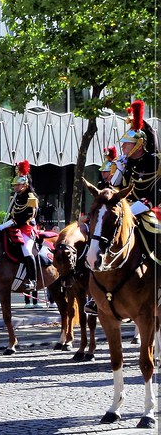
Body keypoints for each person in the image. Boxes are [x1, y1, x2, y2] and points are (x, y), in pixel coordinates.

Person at [86, 100, 158, 315]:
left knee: (157, 233)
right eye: (124, 145)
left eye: (127, 145)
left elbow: (155, 192)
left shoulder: (155, 161)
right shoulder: (125, 163)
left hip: (149, 209)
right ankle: (94, 294)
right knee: (95, 237)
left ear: (138, 144)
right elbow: (115, 187)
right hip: (124, 209)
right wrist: (120, 167)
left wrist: (138, 208)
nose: (123, 147)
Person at [0, 161, 40, 292]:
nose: (15, 187)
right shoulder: (16, 197)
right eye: (14, 185)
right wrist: (6, 223)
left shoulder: (31, 198)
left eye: (17, 185)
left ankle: (32, 280)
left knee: (27, 251)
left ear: (25, 185)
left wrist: (10, 223)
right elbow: (12, 213)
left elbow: (28, 216)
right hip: (15, 228)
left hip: (26, 229)